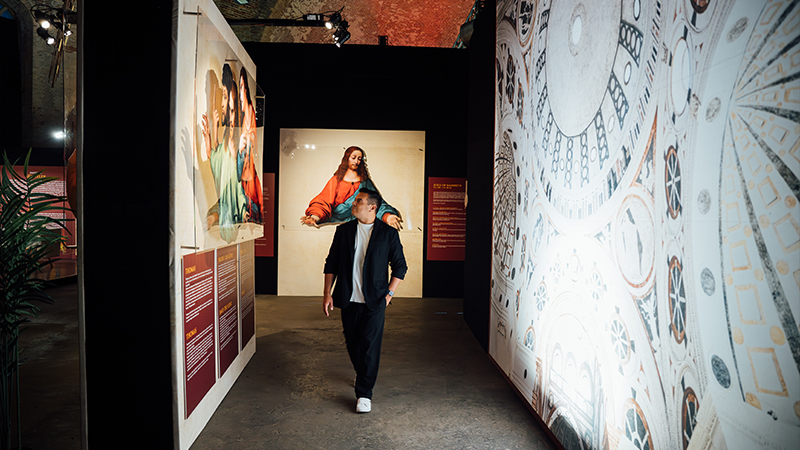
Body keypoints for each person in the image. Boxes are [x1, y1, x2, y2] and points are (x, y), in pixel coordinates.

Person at [322, 188, 407, 413]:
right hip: (348, 299)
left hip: (375, 301)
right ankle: (363, 374)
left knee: (370, 346)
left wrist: (389, 294)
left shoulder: (388, 234)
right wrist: (327, 293)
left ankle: (364, 394)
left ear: (372, 207)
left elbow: (400, 266)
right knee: (353, 343)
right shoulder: (344, 231)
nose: (353, 203)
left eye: (358, 201)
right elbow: (331, 263)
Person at [300, 146, 403, 230]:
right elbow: (323, 201)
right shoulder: (336, 180)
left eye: (359, 159)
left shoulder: (364, 182)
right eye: (353, 158)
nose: (356, 161)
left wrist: (388, 216)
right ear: (347, 158)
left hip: (358, 225)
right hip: (336, 224)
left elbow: (377, 202)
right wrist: (315, 217)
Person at [201, 63, 249, 242]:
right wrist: (211, 133)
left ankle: (214, 218)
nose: (222, 104)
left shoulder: (238, 144)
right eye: (222, 96)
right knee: (220, 211)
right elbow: (215, 157)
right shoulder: (227, 141)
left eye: (224, 97)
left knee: (222, 211)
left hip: (232, 206)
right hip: (225, 206)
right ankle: (213, 219)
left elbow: (237, 186)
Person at [237, 66, 263, 223]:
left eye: (242, 87)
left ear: (246, 89)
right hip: (246, 173)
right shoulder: (243, 116)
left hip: (249, 173)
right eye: (239, 87)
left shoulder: (249, 114)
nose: (240, 92)